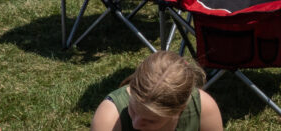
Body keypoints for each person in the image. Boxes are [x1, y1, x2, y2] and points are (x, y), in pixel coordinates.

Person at [90, 50, 223, 131]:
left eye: (151, 120)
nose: (136, 124)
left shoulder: (203, 108)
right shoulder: (109, 118)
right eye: (133, 110)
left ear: (180, 109)